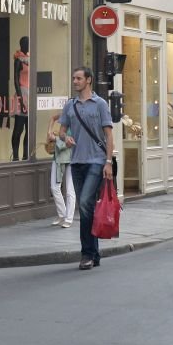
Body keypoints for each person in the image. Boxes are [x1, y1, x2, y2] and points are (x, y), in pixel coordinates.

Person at [58, 66, 114, 270]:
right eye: (73, 78)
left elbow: (108, 135)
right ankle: (95, 253)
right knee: (86, 208)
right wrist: (66, 138)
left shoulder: (99, 104)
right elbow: (61, 131)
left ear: (88, 80)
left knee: (84, 203)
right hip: (76, 162)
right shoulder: (70, 106)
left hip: (96, 161)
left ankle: (86, 254)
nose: (75, 81)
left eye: (79, 78)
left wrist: (108, 162)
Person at [48, 114, 76, 227]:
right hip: (58, 157)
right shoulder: (65, 114)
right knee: (54, 187)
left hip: (72, 158)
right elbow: (53, 117)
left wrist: (55, 139)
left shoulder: (77, 121)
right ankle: (62, 214)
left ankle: (68, 219)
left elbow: (71, 143)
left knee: (70, 190)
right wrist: (49, 132)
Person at [12, 37, 31, 161]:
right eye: (26, 43)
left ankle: (25, 155)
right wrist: (20, 100)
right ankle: (15, 157)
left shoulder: (30, 59)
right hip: (22, 92)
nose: (28, 45)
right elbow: (16, 81)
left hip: (30, 94)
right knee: (18, 128)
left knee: (29, 129)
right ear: (22, 44)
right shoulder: (18, 60)